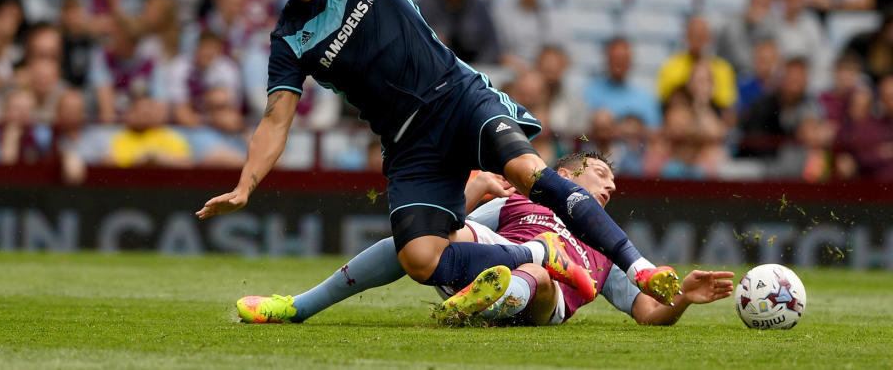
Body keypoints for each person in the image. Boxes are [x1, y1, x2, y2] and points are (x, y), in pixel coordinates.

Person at [196, 0, 679, 307]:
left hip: (456, 96)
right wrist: (245, 185)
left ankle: (639, 266)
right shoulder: (290, 39)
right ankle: (540, 255)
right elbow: (275, 121)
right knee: (420, 258)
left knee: (526, 172)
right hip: (409, 143)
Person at [235, 154, 734, 325]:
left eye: (613, 186)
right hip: (474, 268)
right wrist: (471, 192)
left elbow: (648, 311)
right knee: (417, 243)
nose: (608, 186)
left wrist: (684, 299)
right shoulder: (523, 202)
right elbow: (451, 228)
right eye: (599, 174)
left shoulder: (606, 247)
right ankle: (298, 306)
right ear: (561, 174)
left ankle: (498, 290)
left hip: (538, 299)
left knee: (537, 277)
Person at [657, 16, 737, 112]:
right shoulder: (672, 65)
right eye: (693, 35)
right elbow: (665, 98)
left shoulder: (723, 68)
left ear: (710, 38)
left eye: (702, 36)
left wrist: (705, 95)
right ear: (686, 37)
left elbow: (726, 104)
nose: (698, 40)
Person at [585, 38, 661, 128]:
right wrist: (596, 136)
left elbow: (654, 135)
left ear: (631, 62)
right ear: (606, 60)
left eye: (623, 59)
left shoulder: (646, 99)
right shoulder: (588, 94)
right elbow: (580, 137)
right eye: (614, 59)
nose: (618, 64)